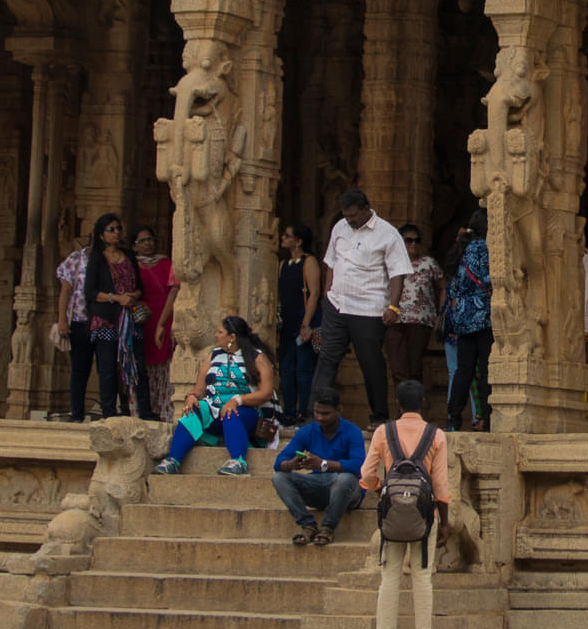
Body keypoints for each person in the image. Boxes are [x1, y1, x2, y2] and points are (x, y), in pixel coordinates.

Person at [359, 379, 452, 629]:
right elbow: (441, 485)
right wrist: (444, 521)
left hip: (392, 515)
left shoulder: (383, 432)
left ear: (397, 404)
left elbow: (366, 473)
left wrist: (379, 491)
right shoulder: (436, 435)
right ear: (423, 402)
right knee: (423, 578)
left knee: (389, 577)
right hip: (424, 515)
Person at [317, 189, 410, 422]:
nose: (350, 221)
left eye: (354, 216)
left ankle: (379, 416)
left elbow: (398, 272)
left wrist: (394, 307)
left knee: (370, 362)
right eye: (346, 216)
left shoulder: (387, 233)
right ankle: (314, 414)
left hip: (368, 308)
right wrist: (327, 294)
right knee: (327, 358)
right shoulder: (340, 227)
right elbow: (331, 263)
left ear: (367, 208)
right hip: (337, 304)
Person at [155, 315, 272, 475]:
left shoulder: (256, 356)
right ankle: (173, 461)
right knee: (192, 410)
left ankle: (239, 462)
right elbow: (200, 388)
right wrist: (192, 396)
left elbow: (266, 393)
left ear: (232, 337)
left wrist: (236, 400)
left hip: (244, 413)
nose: (216, 335)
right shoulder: (214, 354)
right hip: (214, 411)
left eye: (220, 332)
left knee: (231, 412)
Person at [272, 393, 367, 547]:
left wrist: (323, 464)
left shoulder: (352, 431)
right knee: (279, 477)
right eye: (317, 412)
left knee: (345, 479)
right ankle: (308, 525)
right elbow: (279, 462)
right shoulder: (306, 432)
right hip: (317, 486)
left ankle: (327, 528)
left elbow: (358, 466)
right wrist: (291, 464)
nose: (320, 418)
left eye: (326, 413)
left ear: (338, 410)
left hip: (348, 491)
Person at [80, 213, 141, 421]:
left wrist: (133, 296)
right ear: (101, 235)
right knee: (107, 368)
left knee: (135, 364)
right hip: (105, 318)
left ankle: (140, 410)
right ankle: (109, 412)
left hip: (129, 318)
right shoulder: (97, 258)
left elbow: (139, 286)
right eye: (111, 229)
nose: (116, 233)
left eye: (118, 229)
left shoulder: (129, 256)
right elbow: (90, 293)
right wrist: (116, 298)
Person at [442, 205, 494, 429]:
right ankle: (488, 419)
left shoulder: (460, 249)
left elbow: (452, 289)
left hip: (463, 318)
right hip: (483, 316)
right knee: (485, 369)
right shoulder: (484, 247)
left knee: (463, 371)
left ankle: (453, 419)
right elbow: (488, 277)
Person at [274, 222, 320, 425]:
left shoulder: (309, 262)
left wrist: (306, 323)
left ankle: (303, 411)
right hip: (287, 321)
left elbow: (314, 293)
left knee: (303, 369)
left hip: (303, 319)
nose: (283, 238)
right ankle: (289, 411)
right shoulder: (283, 264)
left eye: (287, 235)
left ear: (298, 241)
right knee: (286, 368)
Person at [387, 222, 443, 386]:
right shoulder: (390, 262)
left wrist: (441, 313)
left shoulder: (428, 263)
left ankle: (413, 408)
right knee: (397, 368)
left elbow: (443, 286)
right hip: (393, 320)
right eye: (408, 240)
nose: (413, 244)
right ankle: (402, 408)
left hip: (420, 321)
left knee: (414, 367)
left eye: (417, 240)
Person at [132, 225, 176, 405]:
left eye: (150, 239)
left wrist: (163, 322)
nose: (147, 244)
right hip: (144, 320)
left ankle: (164, 407)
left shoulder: (166, 264)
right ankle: (144, 407)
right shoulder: (132, 266)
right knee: (143, 363)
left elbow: (174, 290)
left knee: (166, 365)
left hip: (166, 317)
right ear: (134, 246)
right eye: (141, 241)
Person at [53, 227, 93, 422]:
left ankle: (112, 411)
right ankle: (77, 412)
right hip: (78, 320)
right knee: (79, 368)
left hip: (104, 322)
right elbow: (66, 291)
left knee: (109, 369)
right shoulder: (76, 259)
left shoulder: (111, 260)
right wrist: (62, 319)